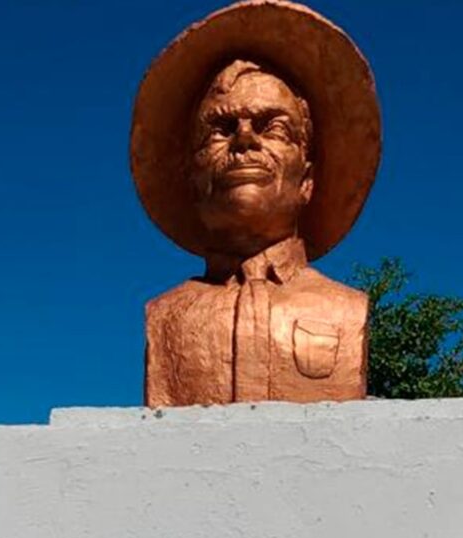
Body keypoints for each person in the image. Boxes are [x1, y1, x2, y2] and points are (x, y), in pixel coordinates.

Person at [132, 1, 381, 407]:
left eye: (273, 127)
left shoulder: (346, 308)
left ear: (309, 178)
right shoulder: (165, 316)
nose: (244, 140)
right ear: (192, 179)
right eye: (220, 129)